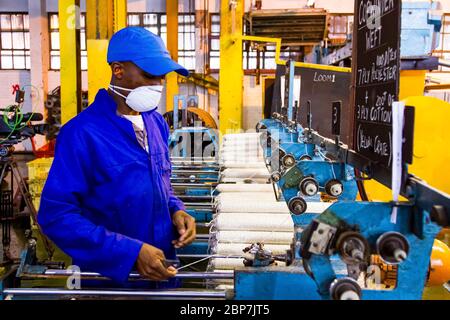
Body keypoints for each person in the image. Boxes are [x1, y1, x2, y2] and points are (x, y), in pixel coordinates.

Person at [38, 27, 196, 286]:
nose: (157, 85)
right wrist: (129, 252)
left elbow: (160, 185)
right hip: (111, 281)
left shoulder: (156, 123)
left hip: (162, 272)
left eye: (162, 77)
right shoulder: (82, 133)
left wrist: (176, 210)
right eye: (149, 75)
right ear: (118, 70)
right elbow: (56, 216)